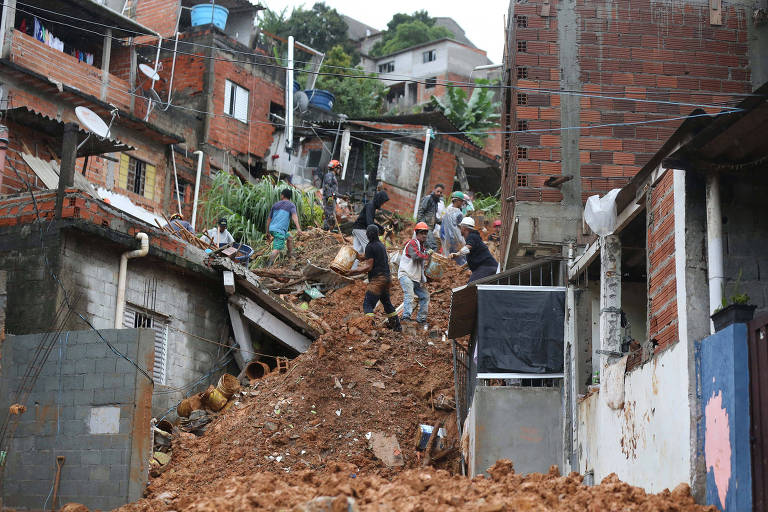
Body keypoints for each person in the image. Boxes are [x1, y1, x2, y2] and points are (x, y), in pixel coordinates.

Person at [348, 224, 402, 332]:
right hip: (386, 279)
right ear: (378, 234)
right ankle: (397, 327)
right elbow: (368, 256)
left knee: (368, 304)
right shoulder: (380, 245)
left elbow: (368, 266)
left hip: (378, 280)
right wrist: (357, 255)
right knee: (387, 303)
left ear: (367, 235)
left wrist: (352, 272)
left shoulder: (370, 246)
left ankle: (370, 327)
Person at [398, 222, 432, 325]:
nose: (424, 235)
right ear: (416, 233)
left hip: (415, 278)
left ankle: (421, 319)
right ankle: (405, 318)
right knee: (409, 295)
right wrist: (427, 254)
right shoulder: (412, 243)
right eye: (422, 233)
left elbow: (423, 261)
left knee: (425, 296)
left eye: (425, 233)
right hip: (406, 275)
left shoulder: (421, 246)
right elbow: (417, 257)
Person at [450, 217, 499, 283]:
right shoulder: (474, 237)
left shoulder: (471, 236)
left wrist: (457, 254)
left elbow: (468, 247)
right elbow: (475, 256)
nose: (460, 230)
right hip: (489, 267)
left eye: (460, 228)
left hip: (486, 267)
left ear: (464, 228)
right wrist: (462, 267)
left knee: (471, 286)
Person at [266, 188, 303, 266]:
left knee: (289, 237)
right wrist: (298, 228)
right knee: (277, 249)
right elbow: (294, 216)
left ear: (282, 195)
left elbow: (269, 219)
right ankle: (268, 265)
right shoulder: (291, 205)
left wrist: (267, 232)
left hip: (273, 229)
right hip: (279, 230)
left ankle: (290, 255)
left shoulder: (275, 205)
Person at [351, 189, 389, 260]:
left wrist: (379, 227)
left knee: (357, 252)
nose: (382, 204)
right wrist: (378, 229)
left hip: (357, 229)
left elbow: (370, 221)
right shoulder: (370, 206)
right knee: (369, 248)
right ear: (380, 199)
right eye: (382, 202)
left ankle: (352, 269)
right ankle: (371, 268)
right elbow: (369, 223)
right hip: (361, 229)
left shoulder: (372, 206)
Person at [416, 183, 444, 251]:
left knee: (425, 248)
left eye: (441, 192)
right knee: (433, 247)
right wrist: (422, 226)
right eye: (438, 191)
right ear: (434, 190)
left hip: (429, 228)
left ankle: (424, 260)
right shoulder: (428, 198)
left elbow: (432, 216)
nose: (439, 193)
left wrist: (442, 222)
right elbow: (421, 211)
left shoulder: (435, 202)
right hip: (425, 228)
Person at [441, 191, 466, 265]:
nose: (462, 203)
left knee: (449, 257)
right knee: (461, 257)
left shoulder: (446, 210)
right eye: (461, 201)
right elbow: (462, 227)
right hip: (456, 239)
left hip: (446, 238)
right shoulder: (459, 213)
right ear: (457, 201)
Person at [322, 160, 341, 231]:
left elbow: (334, 191)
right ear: (335, 168)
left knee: (331, 215)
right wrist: (330, 197)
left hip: (331, 199)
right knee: (329, 216)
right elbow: (327, 187)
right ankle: (326, 230)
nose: (339, 170)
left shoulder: (332, 176)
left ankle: (328, 230)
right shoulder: (329, 175)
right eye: (339, 168)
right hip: (329, 199)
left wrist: (342, 196)